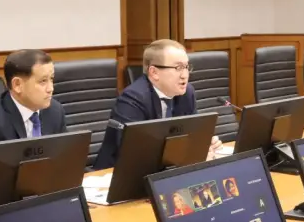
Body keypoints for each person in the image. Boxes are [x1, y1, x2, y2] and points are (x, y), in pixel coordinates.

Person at [93, 39, 221, 170]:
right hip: (114, 173)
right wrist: (191, 157)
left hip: (163, 170)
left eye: (186, 67)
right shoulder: (132, 99)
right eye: (178, 68)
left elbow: (192, 134)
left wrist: (203, 145)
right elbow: (135, 153)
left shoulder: (187, 93)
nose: (184, 75)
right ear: (154, 72)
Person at [0, 50, 67, 145]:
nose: (51, 88)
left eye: (51, 79)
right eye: (43, 81)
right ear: (17, 85)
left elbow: (64, 154)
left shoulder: (55, 111)